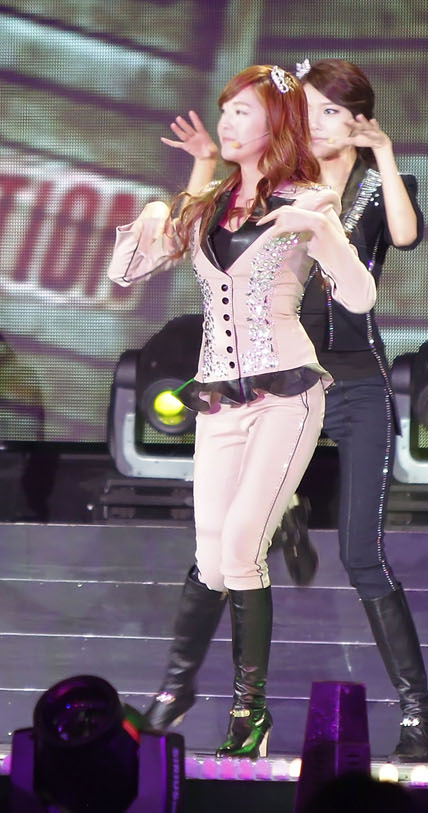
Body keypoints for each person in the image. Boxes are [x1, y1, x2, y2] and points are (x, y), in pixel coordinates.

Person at [158, 58, 426, 761]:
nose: (317, 123)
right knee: (224, 542)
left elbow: (404, 238)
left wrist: (384, 155)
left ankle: (417, 712)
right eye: (307, 110)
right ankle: (190, 691)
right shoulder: (268, 187)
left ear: (357, 120)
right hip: (276, 382)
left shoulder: (367, 188)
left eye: (332, 111)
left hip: (354, 380)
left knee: (362, 554)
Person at [108, 64, 375, 758]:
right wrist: (158, 212)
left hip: (287, 392)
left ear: (275, 125)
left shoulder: (308, 199)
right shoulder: (209, 203)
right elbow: (126, 272)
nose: (228, 124)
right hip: (218, 395)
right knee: (210, 557)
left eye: (242, 113)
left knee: (240, 549)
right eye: (225, 110)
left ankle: (247, 714)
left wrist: (322, 233)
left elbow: (360, 297)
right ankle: (177, 689)